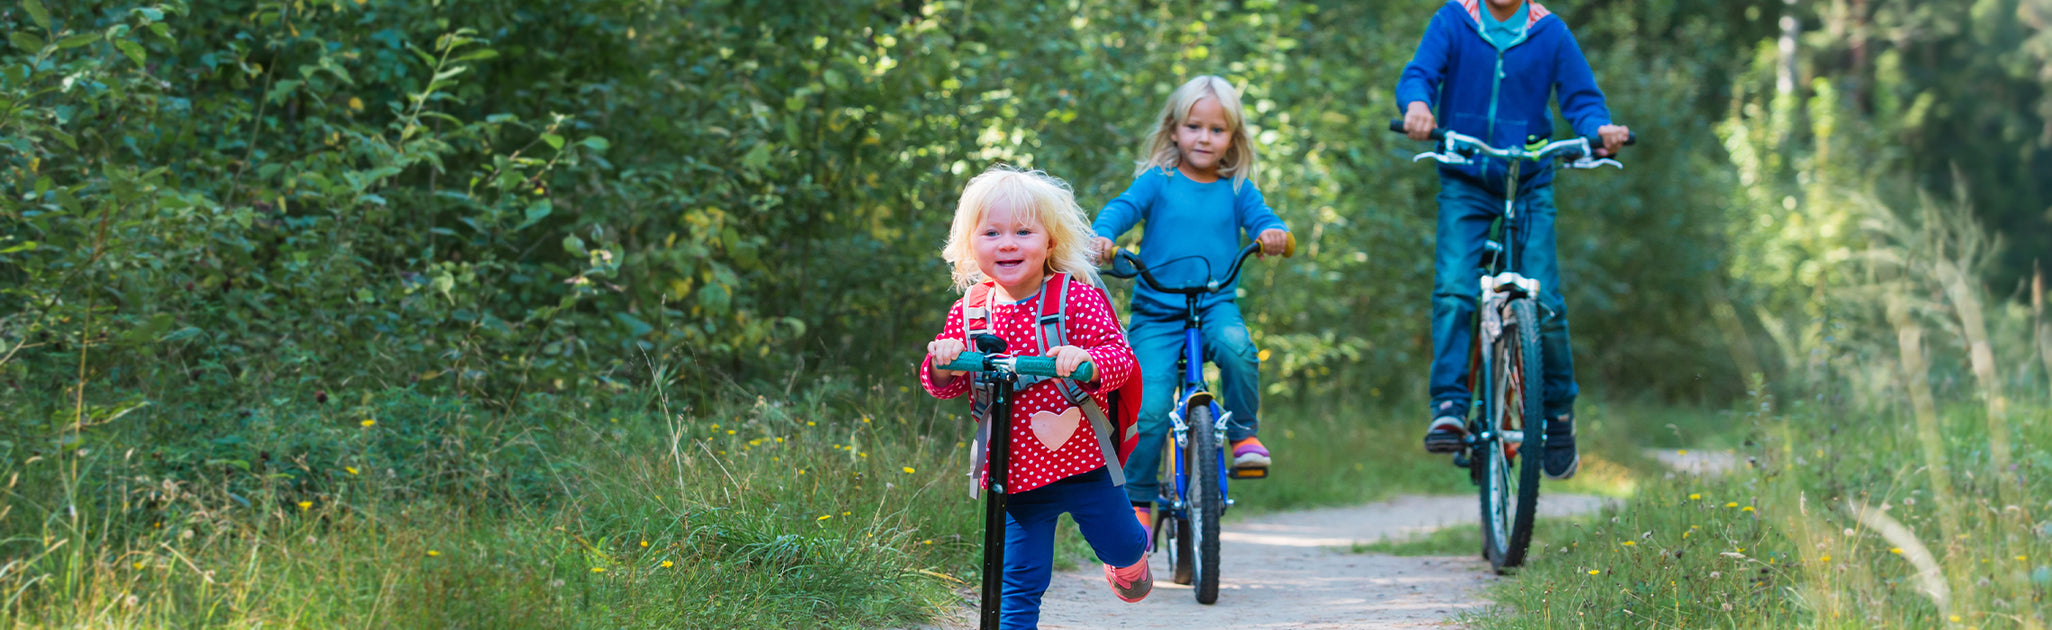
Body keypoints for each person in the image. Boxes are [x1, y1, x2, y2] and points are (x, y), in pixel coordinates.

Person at [1395, 0, 1630, 479]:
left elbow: (1582, 100)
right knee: (1456, 289)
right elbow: (1418, 75)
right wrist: (1418, 105)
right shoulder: (1454, 20)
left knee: (1547, 302)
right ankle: (1450, 405)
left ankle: (1558, 413)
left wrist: (1598, 129)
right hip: (1465, 177)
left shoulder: (1550, 32)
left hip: (1529, 180)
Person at [921, 166, 1152, 628]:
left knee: (1125, 543)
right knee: (1017, 581)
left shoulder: (1076, 298)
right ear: (971, 244)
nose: (1007, 243)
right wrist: (945, 360)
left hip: (1085, 464)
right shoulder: (969, 311)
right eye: (991, 232)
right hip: (1015, 473)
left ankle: (1128, 560)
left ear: (1049, 242)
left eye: (1023, 232)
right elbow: (942, 383)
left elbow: (1120, 358)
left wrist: (1084, 360)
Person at [1089, 75, 1291, 531]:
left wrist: (1270, 233)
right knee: (1149, 405)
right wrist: (1103, 236)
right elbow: (1121, 208)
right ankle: (1138, 499)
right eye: (1194, 127)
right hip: (1157, 311)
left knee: (1239, 349)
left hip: (1214, 303)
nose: (1204, 138)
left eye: (1217, 130)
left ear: (1232, 138)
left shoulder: (1237, 188)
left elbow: (1263, 218)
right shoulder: (1157, 182)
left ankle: (1243, 434)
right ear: (1174, 129)